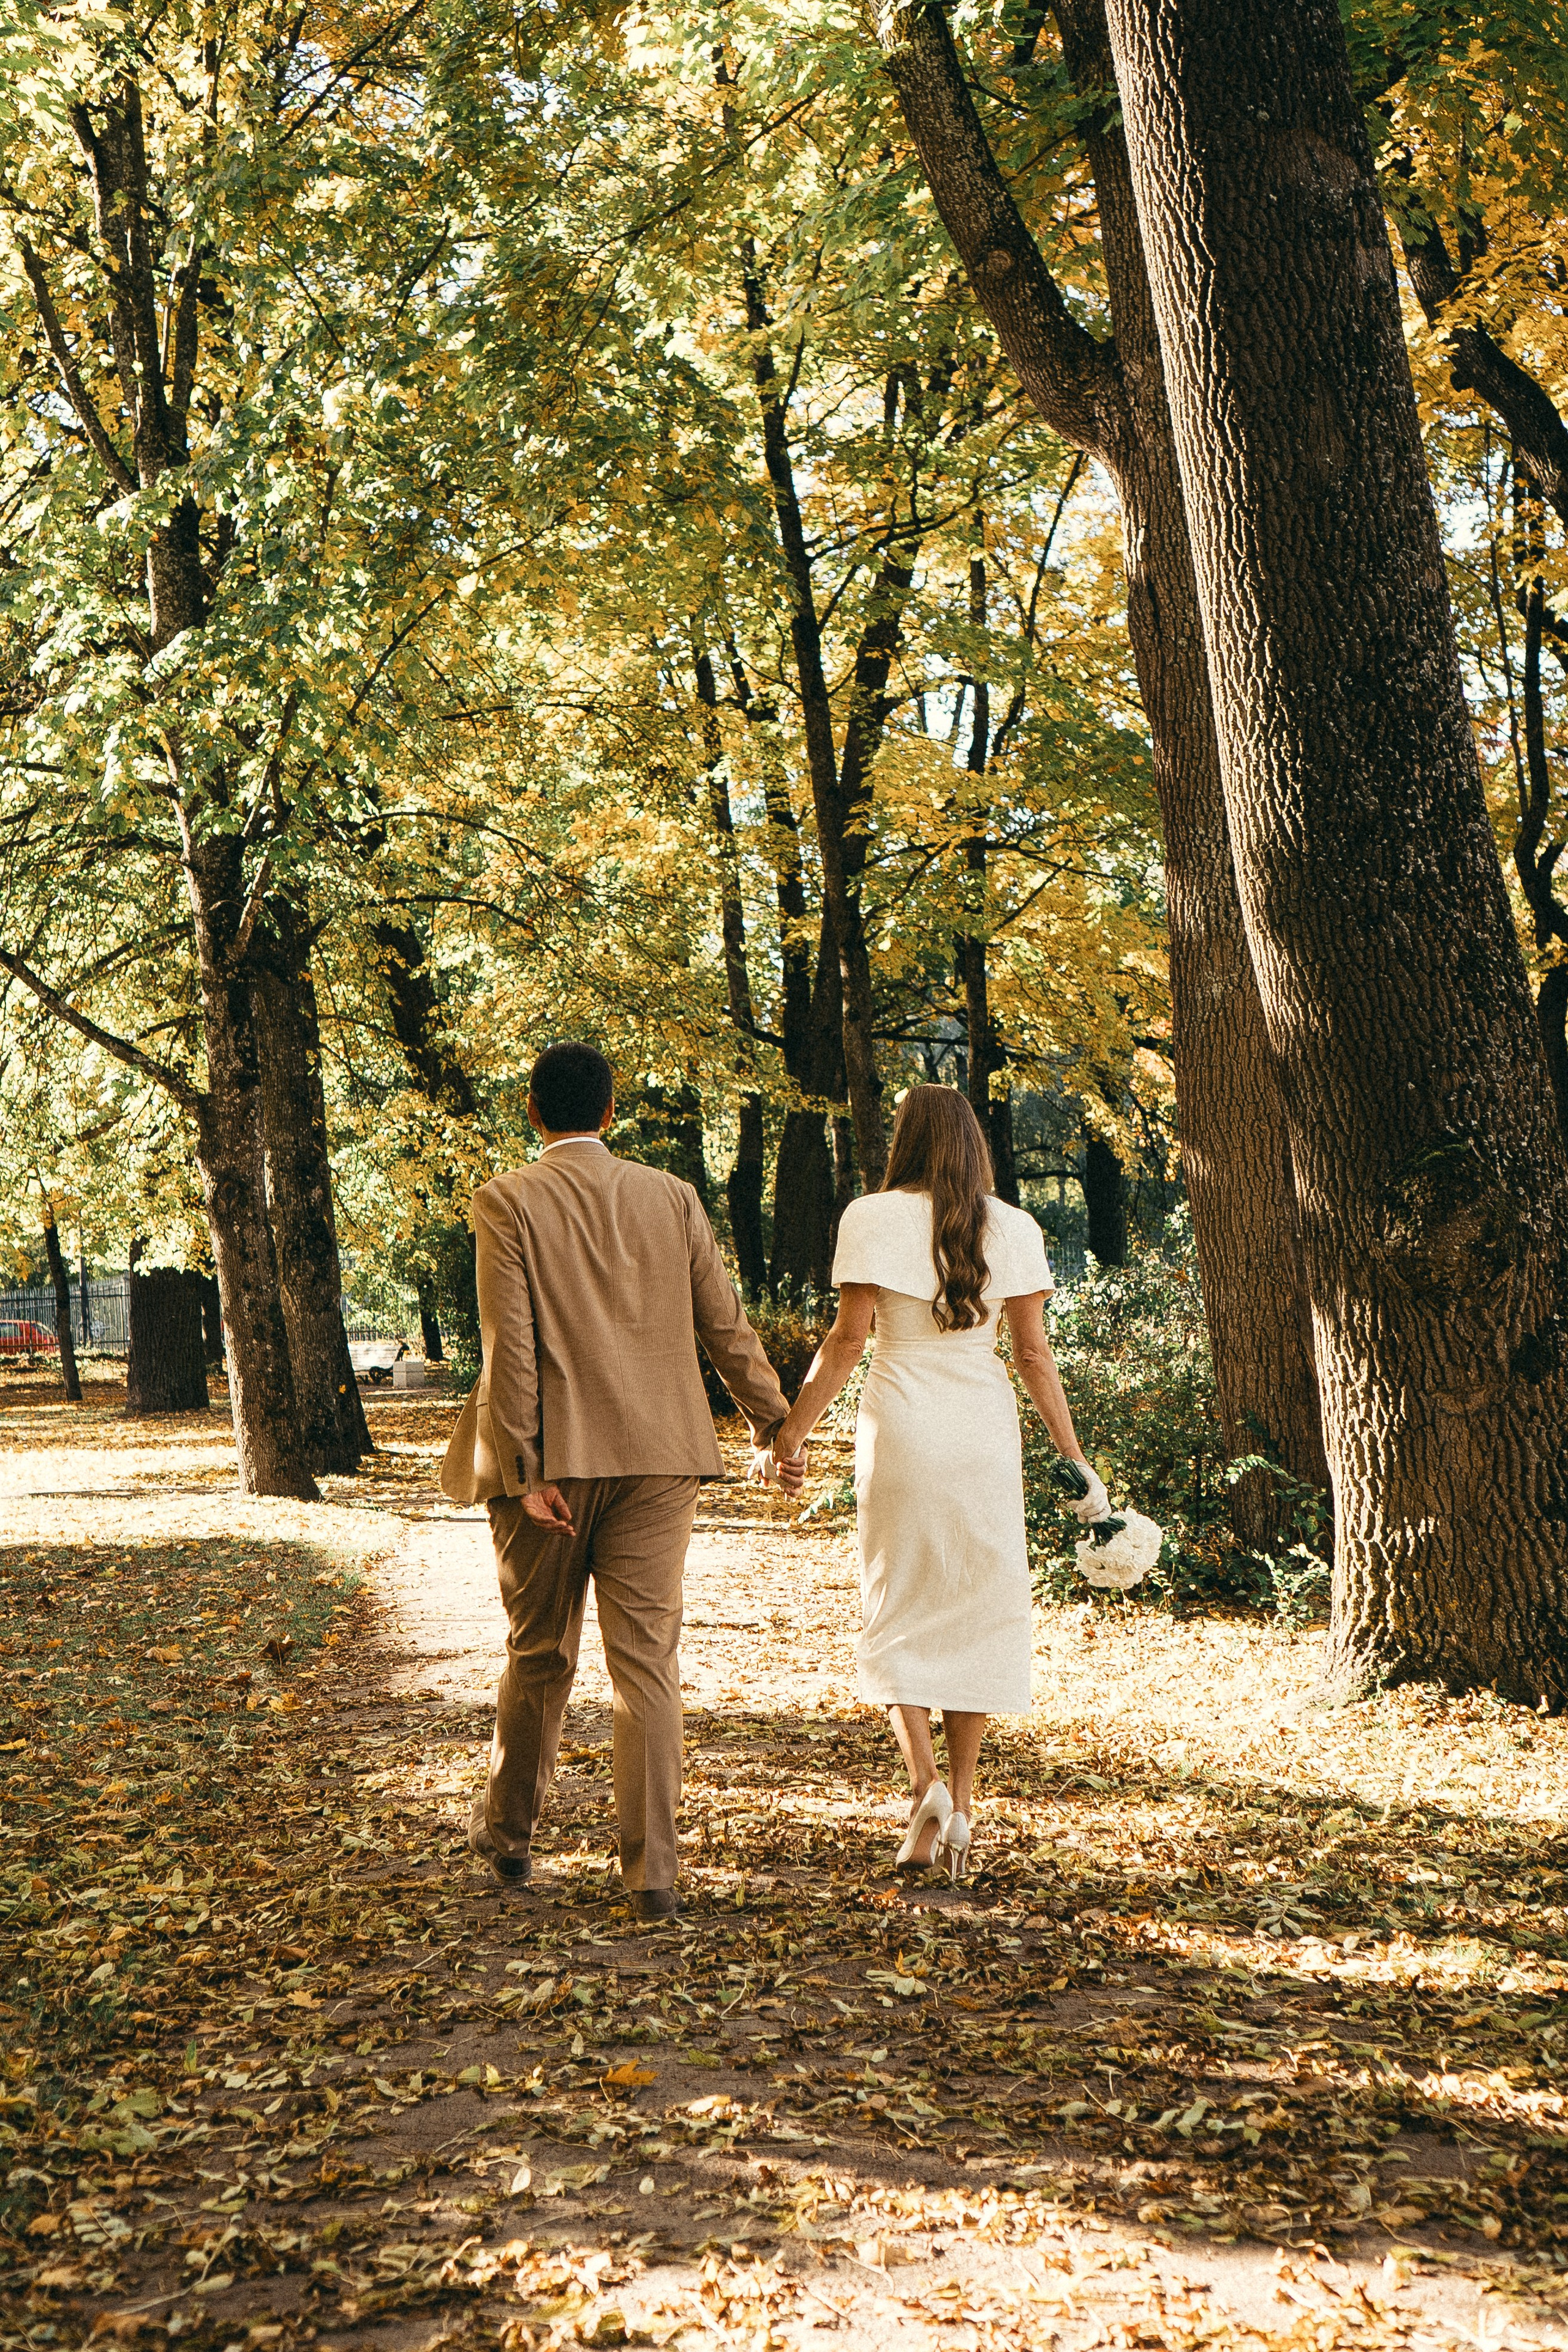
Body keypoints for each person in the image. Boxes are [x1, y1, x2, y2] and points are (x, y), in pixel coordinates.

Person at [441, 1041, 804, 1920]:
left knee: (540, 1653)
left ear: (533, 1111)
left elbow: (509, 1344)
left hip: (554, 1464)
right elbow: (725, 1323)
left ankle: (510, 1839)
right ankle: (652, 1877)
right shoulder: (672, 1197)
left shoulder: (506, 1200)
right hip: (659, 1456)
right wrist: (774, 1421)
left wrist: (525, 1468)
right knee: (646, 1665)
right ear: (611, 1112)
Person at [769, 1085, 1109, 1880]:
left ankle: (924, 1788)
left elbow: (846, 1343)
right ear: (973, 1143)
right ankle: (962, 1803)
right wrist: (1074, 1456)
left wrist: (790, 1432)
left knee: (899, 1602)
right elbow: (1033, 1356)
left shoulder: (870, 1216)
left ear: (906, 1139)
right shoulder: (1015, 1228)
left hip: (902, 1427)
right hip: (983, 1433)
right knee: (973, 1609)